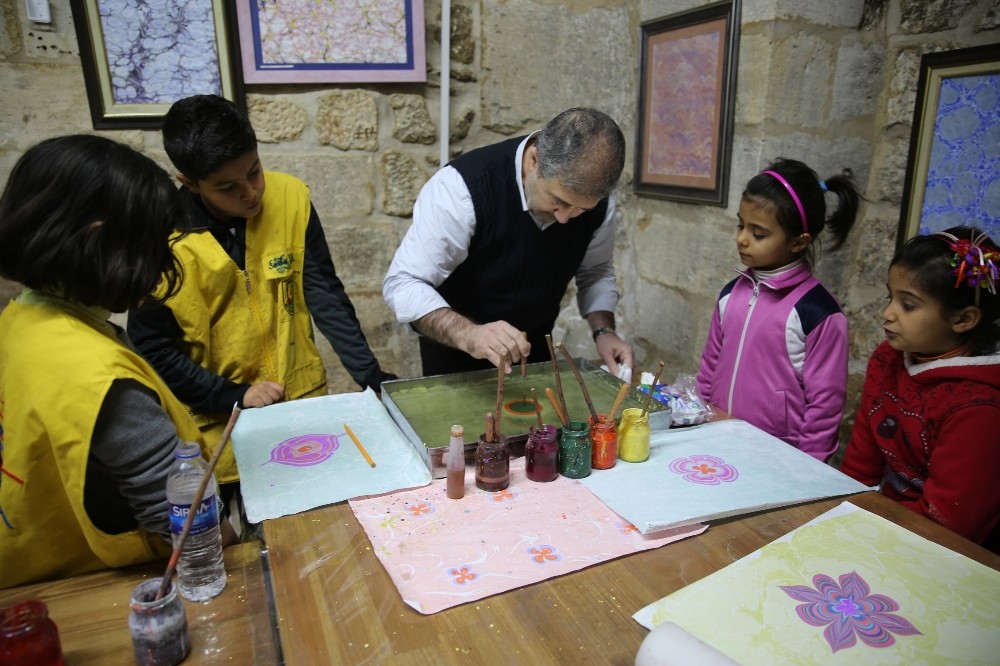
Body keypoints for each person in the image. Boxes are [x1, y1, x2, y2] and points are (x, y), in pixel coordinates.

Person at [128, 95, 395, 487]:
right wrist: (232, 395)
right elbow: (154, 349)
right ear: (190, 184)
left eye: (254, 172)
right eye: (228, 187)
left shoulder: (290, 199)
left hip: (302, 407)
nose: (250, 193)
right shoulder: (163, 240)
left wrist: (372, 377)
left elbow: (324, 293)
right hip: (223, 423)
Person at [0, 135, 217, 588]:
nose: (162, 267)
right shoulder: (100, 378)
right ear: (97, 241)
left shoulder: (19, 318)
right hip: (82, 583)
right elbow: (185, 531)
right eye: (154, 247)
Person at [382, 107, 634, 377]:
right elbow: (404, 283)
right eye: (558, 201)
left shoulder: (600, 203)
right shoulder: (460, 190)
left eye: (580, 210)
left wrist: (604, 331)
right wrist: (469, 334)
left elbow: (595, 271)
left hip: (534, 354)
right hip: (456, 353)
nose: (564, 219)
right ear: (534, 159)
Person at [840, 227, 1000, 552]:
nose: (887, 314)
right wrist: (840, 513)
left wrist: (868, 528)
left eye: (908, 305)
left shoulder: (979, 407)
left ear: (963, 319)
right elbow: (860, 465)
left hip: (944, 550)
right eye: (890, 297)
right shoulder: (888, 358)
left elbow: (949, 526)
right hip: (887, 522)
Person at [696, 159, 860, 462]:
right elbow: (709, 366)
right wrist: (698, 420)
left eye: (758, 234)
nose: (742, 239)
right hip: (716, 442)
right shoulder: (731, 294)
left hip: (777, 456)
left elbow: (825, 404)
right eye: (741, 225)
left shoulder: (818, 312)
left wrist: (807, 470)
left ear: (798, 242)